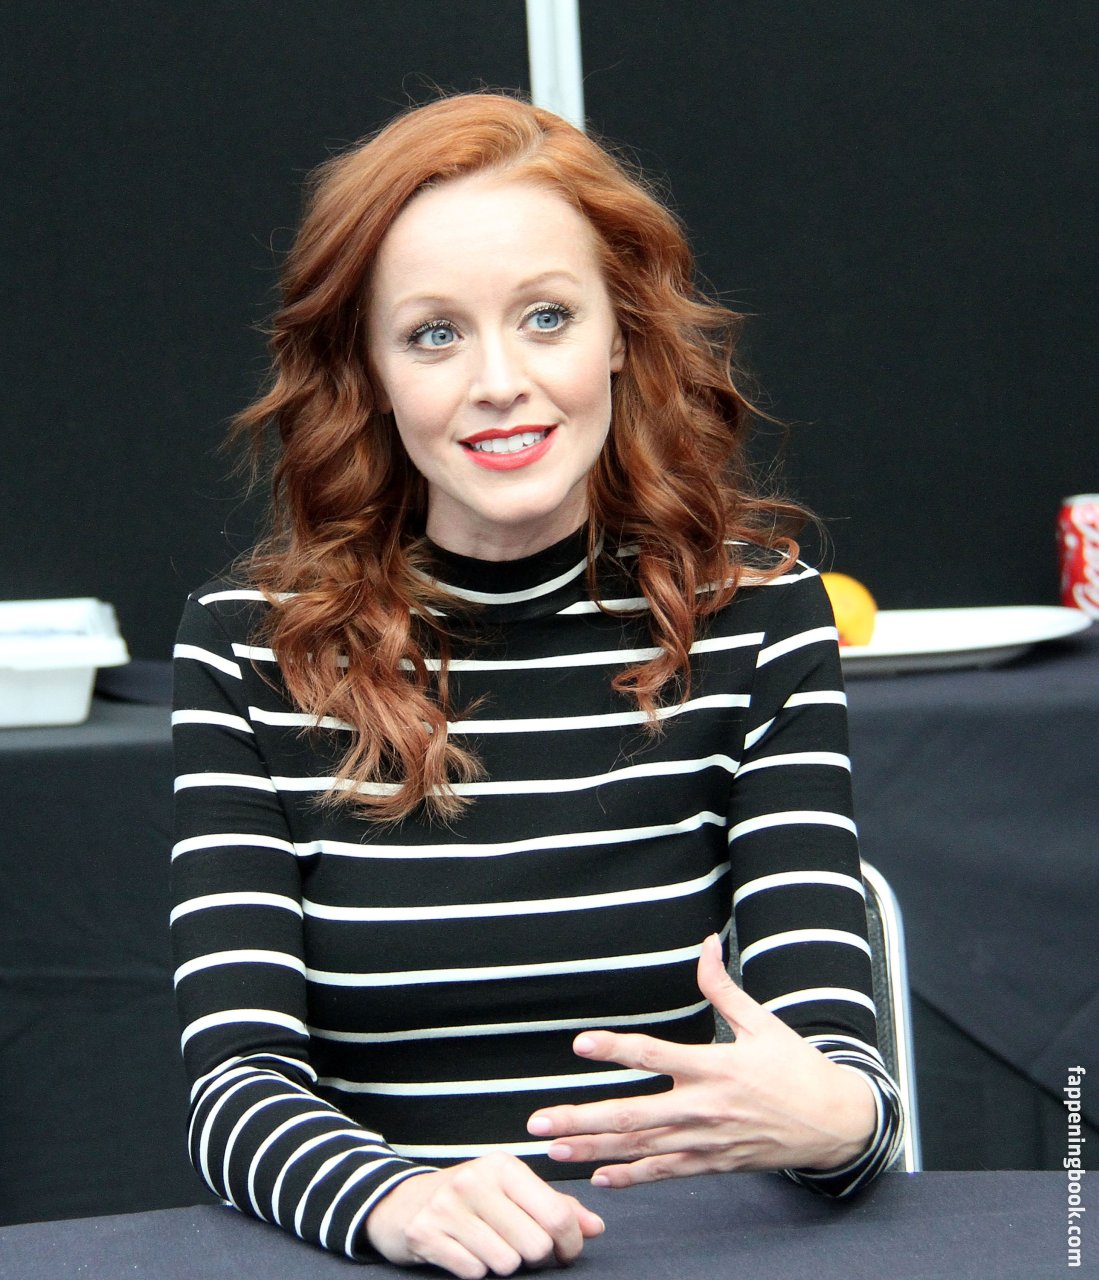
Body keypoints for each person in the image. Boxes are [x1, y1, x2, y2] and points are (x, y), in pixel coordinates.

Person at [171, 92, 903, 1278]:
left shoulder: (759, 614)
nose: (500, 380)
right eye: (434, 334)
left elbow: (832, 1070)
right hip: (389, 1254)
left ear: (619, 330)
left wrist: (844, 1121)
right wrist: (396, 1198)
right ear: (369, 368)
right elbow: (232, 1086)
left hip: (682, 1253)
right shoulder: (246, 648)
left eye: (546, 316)